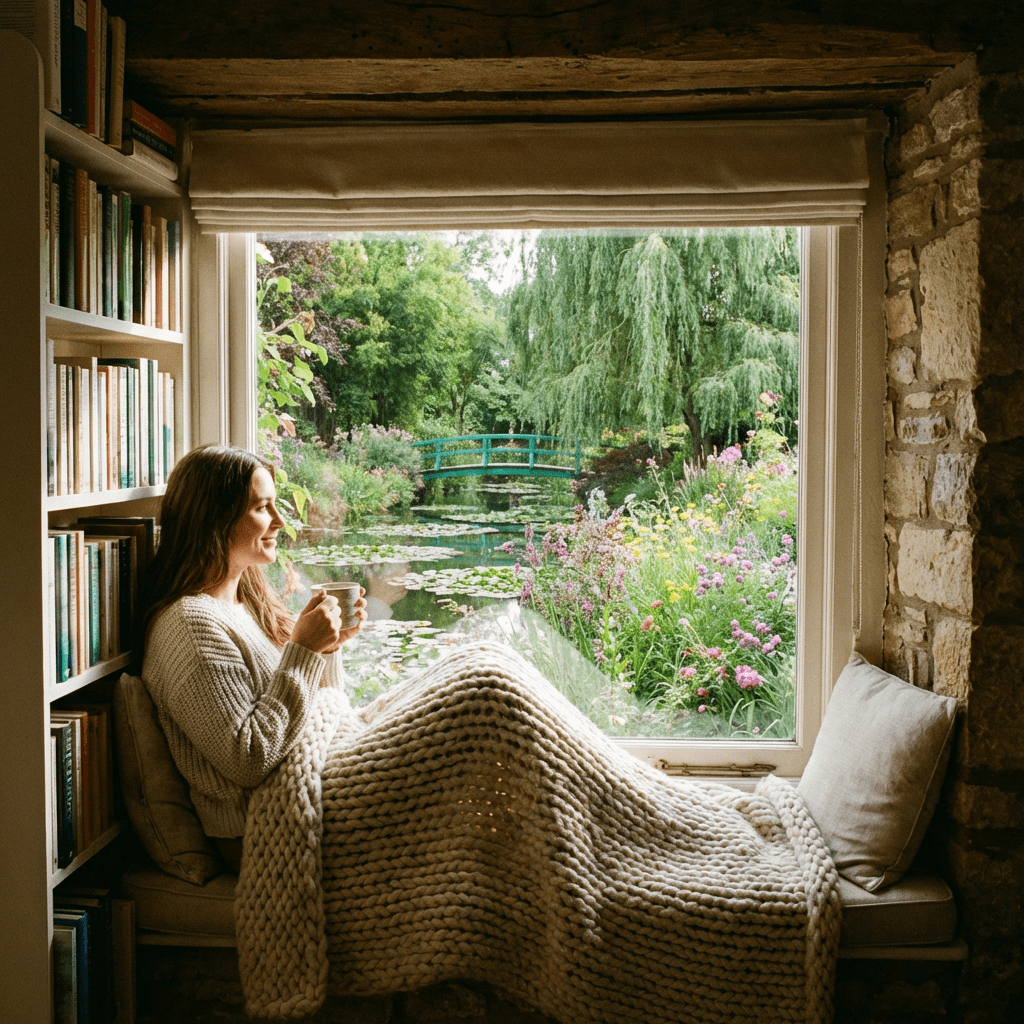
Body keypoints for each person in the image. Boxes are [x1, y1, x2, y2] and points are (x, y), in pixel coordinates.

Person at [138, 444, 366, 871]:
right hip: (262, 830)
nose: (279, 521)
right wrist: (303, 651)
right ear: (214, 519)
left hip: (314, 789)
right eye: (263, 507)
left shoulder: (247, 604)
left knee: (474, 677)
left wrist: (327, 649)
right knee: (481, 694)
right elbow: (248, 758)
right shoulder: (189, 624)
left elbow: (317, 715)